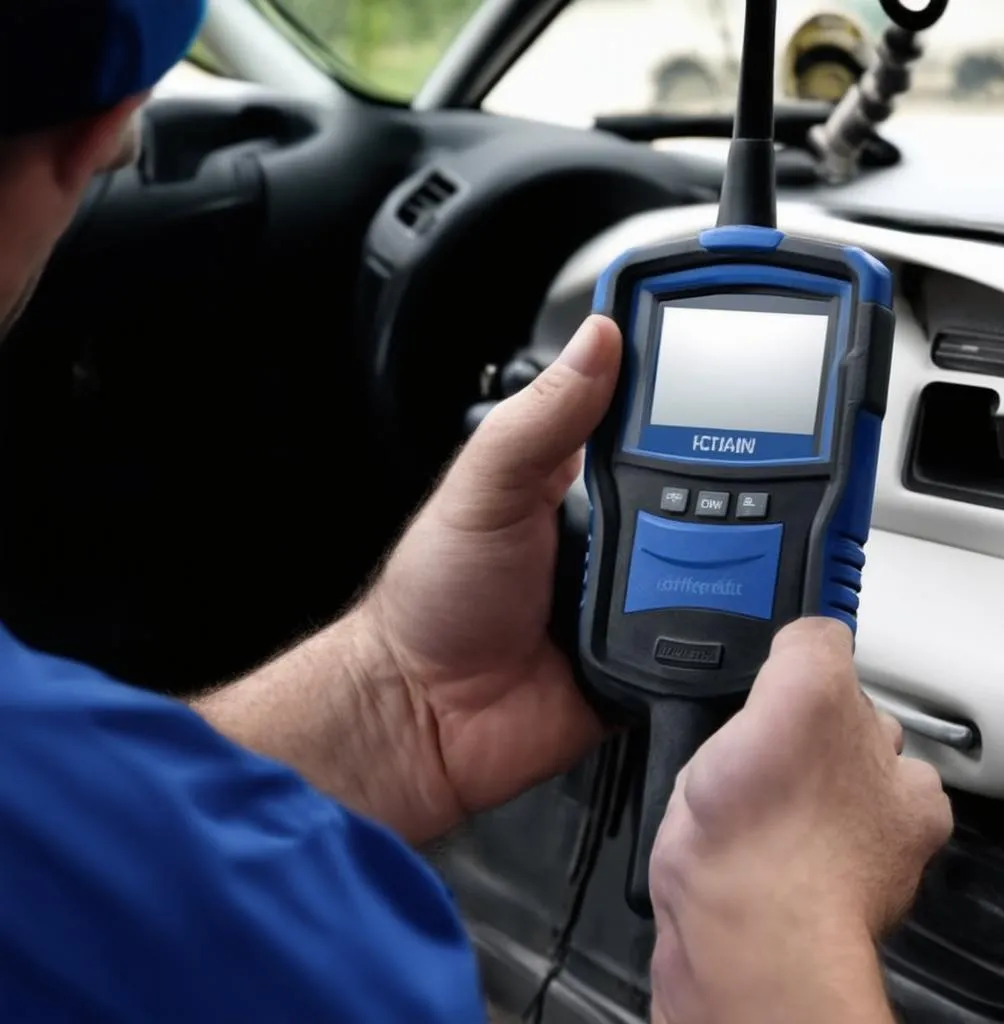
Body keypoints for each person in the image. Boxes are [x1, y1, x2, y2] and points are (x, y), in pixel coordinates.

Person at [0, 0, 952, 1020]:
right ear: (104, 135)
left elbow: (94, 837)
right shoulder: (295, 958)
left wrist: (397, 694)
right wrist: (771, 934)